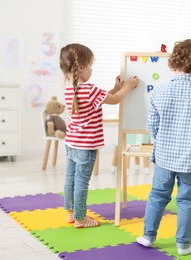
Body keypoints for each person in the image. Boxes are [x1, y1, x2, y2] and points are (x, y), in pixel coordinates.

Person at [136, 39, 191, 255]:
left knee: (157, 195)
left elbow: (152, 124)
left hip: (165, 157)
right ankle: (184, 244)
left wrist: (163, 140)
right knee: (187, 200)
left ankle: (148, 236)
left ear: (174, 64)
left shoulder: (161, 91)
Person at [59, 43, 138, 228]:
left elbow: (102, 100)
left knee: (70, 178)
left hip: (71, 142)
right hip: (86, 146)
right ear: (80, 67)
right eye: (90, 66)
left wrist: (114, 87)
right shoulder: (89, 89)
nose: (91, 70)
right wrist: (128, 86)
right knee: (81, 182)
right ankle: (80, 218)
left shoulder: (70, 88)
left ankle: (71, 213)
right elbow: (116, 99)